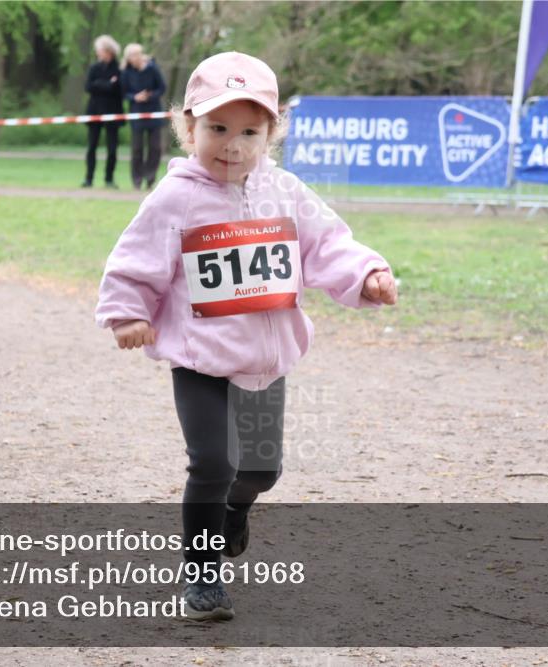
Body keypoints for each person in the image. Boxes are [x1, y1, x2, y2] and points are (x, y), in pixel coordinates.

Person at [95, 52, 398, 621]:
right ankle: (202, 578)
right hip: (201, 360)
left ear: (271, 133)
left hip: (266, 360)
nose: (231, 144)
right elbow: (135, 261)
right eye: (216, 129)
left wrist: (367, 274)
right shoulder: (175, 198)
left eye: (248, 132)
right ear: (189, 128)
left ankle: (234, 512)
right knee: (212, 463)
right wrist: (128, 314)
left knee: (259, 472)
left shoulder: (285, 191)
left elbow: (327, 244)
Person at [121, 43, 166, 190]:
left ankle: (150, 177)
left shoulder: (152, 68)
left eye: (136, 55)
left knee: (155, 148)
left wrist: (150, 95)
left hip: (153, 112)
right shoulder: (127, 72)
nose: (134, 59)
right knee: (137, 149)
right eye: (131, 57)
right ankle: (137, 179)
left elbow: (162, 87)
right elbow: (124, 92)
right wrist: (135, 97)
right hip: (137, 114)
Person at [82, 34, 123, 189]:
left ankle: (109, 178)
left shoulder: (118, 68)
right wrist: (106, 84)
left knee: (112, 148)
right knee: (92, 146)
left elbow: (118, 89)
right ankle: (88, 178)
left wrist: (100, 85)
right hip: (94, 111)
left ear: (108, 51)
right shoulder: (94, 68)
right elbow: (88, 87)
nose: (98, 53)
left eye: (100, 50)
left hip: (113, 112)